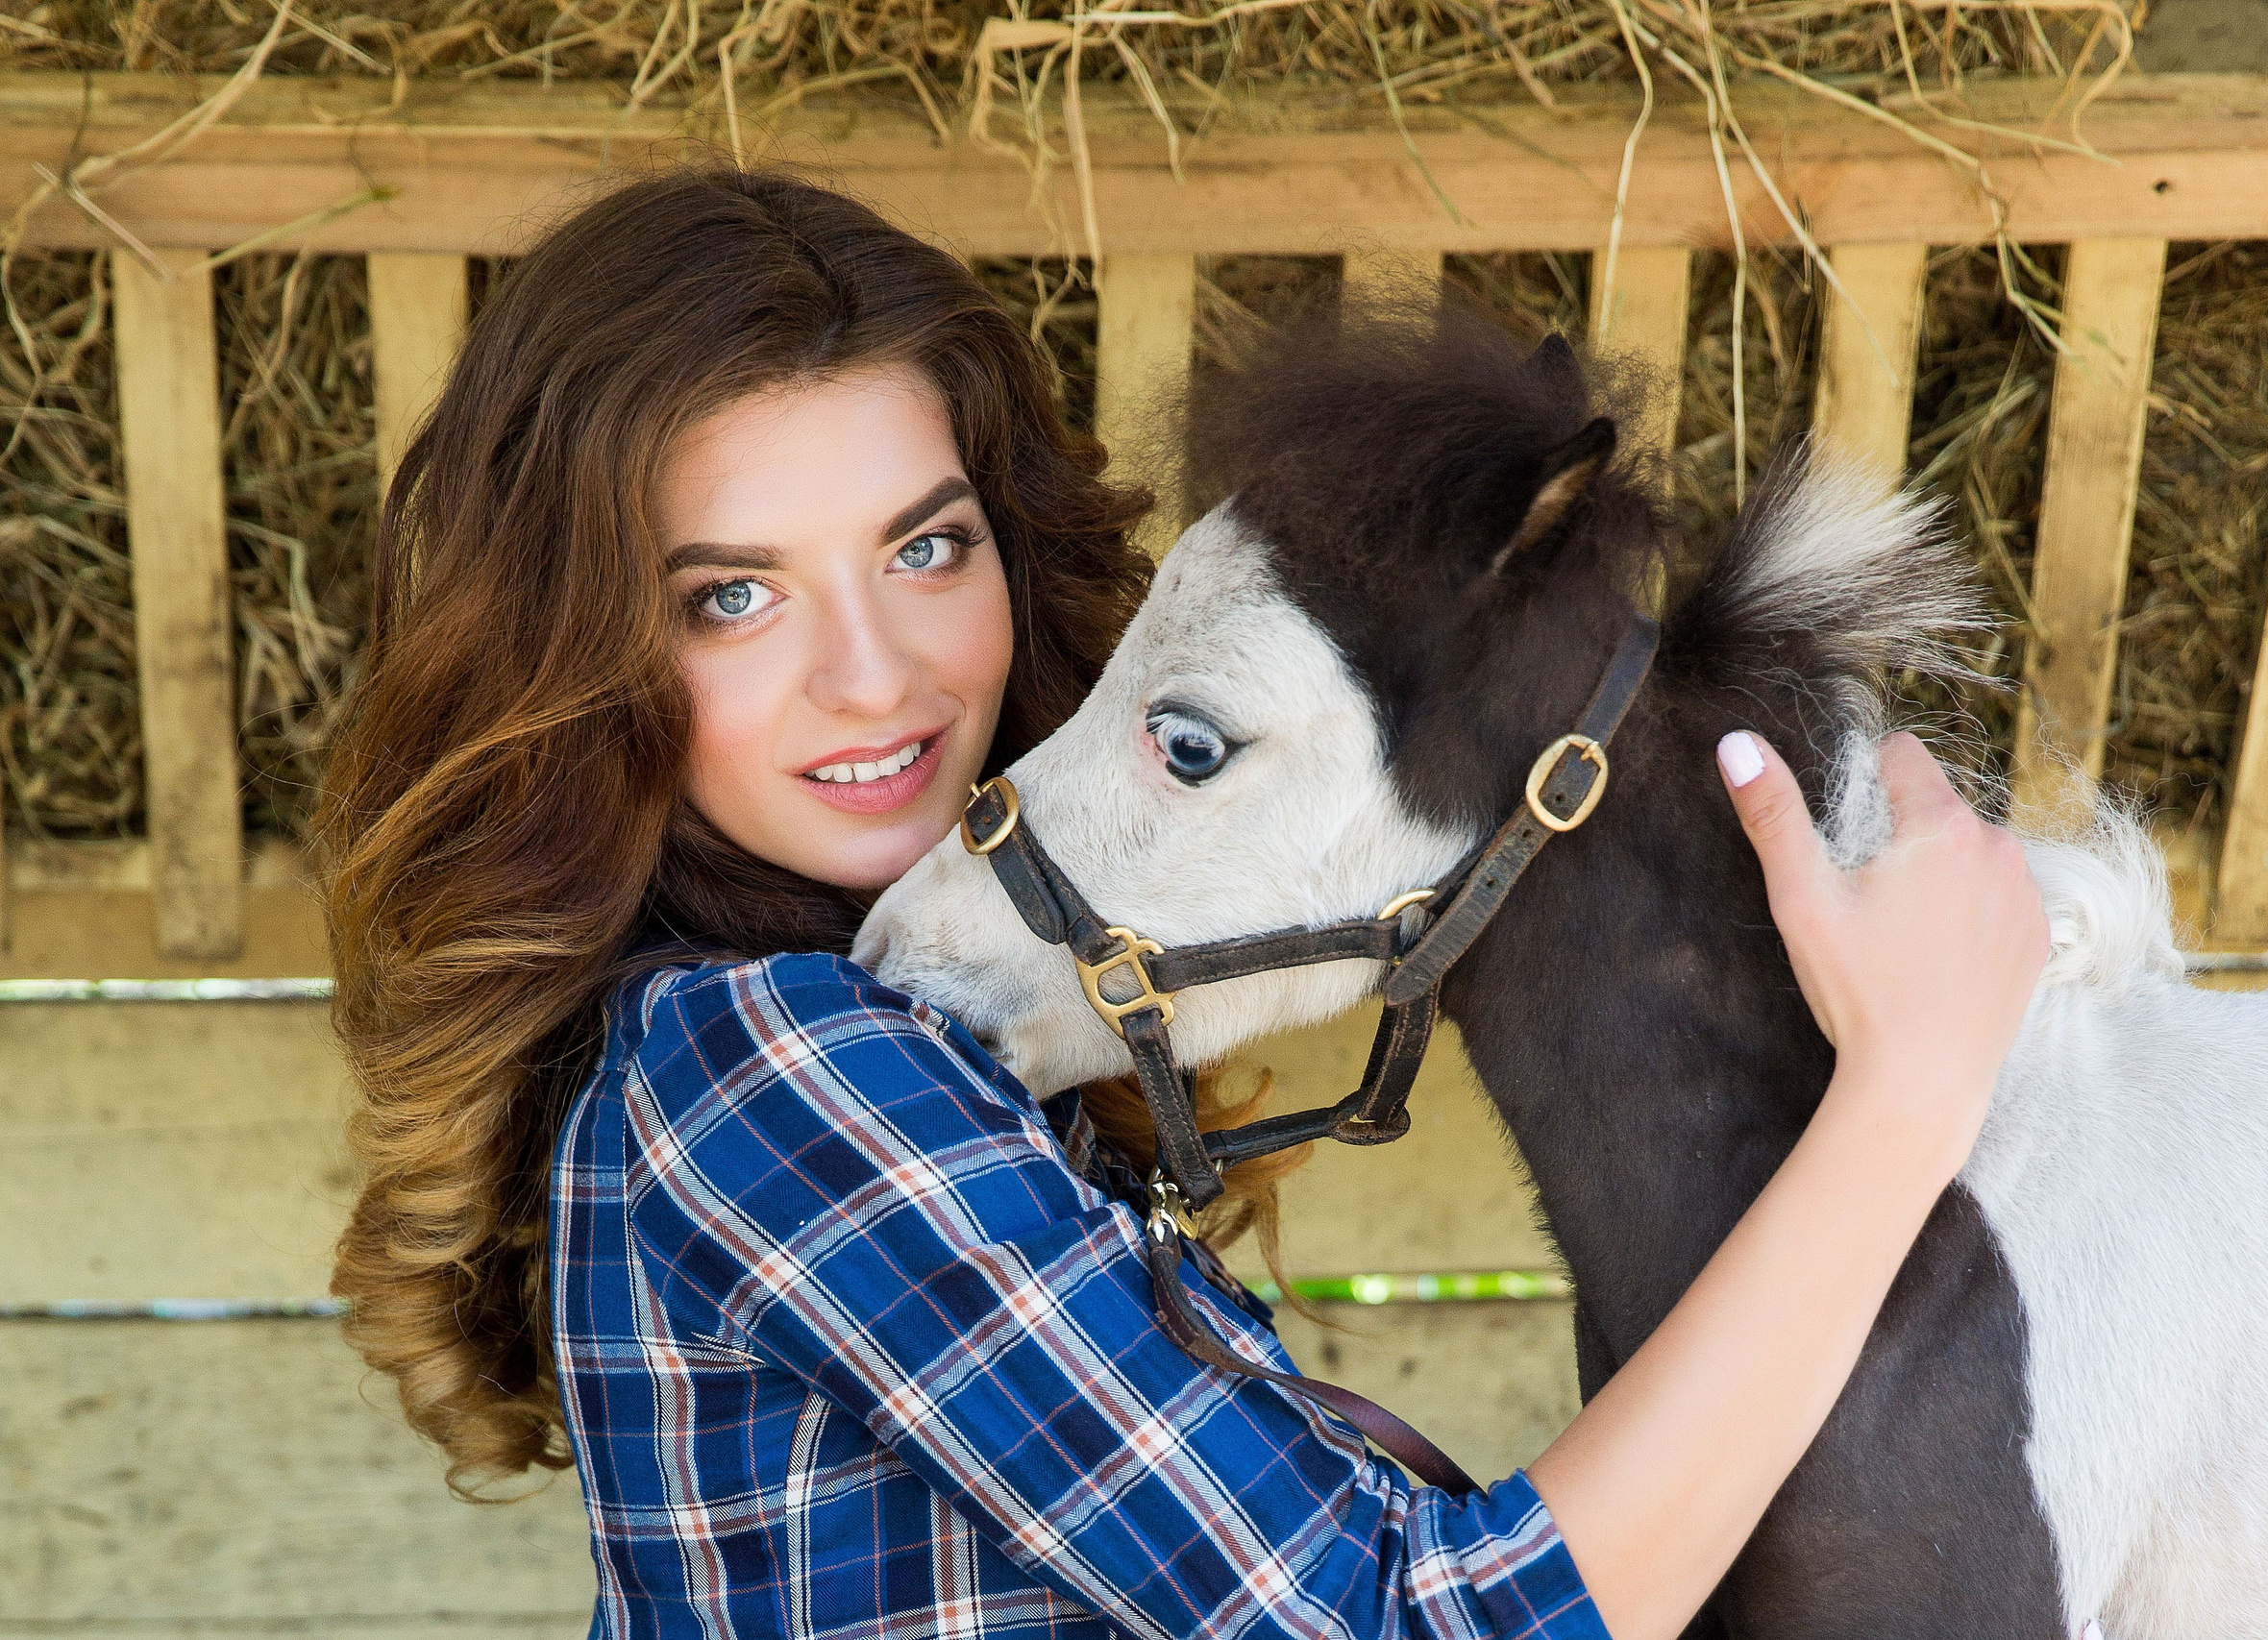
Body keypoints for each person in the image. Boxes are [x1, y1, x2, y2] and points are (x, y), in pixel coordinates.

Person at [321, 168, 2050, 1640]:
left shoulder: (889, 1054)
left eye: (926, 549)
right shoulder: (775, 1066)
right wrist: (1907, 1099)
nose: (875, 676)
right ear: (581, 649)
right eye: (733, 596)